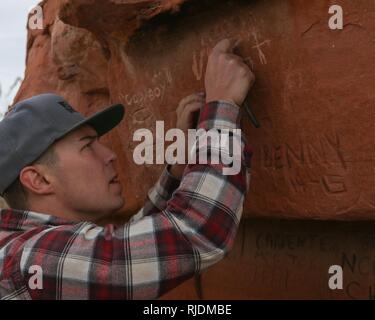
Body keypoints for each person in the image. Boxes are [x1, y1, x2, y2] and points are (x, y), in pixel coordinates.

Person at [0, 39, 254, 299]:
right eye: (87, 146)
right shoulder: (36, 259)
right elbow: (195, 231)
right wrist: (222, 106)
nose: (109, 155)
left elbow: (128, 246)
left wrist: (178, 170)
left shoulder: (20, 250)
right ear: (39, 179)